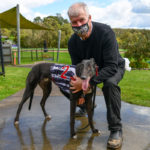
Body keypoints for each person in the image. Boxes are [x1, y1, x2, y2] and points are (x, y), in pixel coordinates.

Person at [67, 2, 125, 149]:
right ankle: (85, 105)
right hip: (89, 67)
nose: (79, 25)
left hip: (112, 66)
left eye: (82, 20)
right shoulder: (72, 42)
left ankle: (116, 129)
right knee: (71, 83)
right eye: (74, 22)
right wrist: (81, 83)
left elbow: (111, 66)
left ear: (89, 18)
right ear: (70, 23)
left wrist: (89, 82)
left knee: (110, 84)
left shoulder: (106, 32)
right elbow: (78, 67)